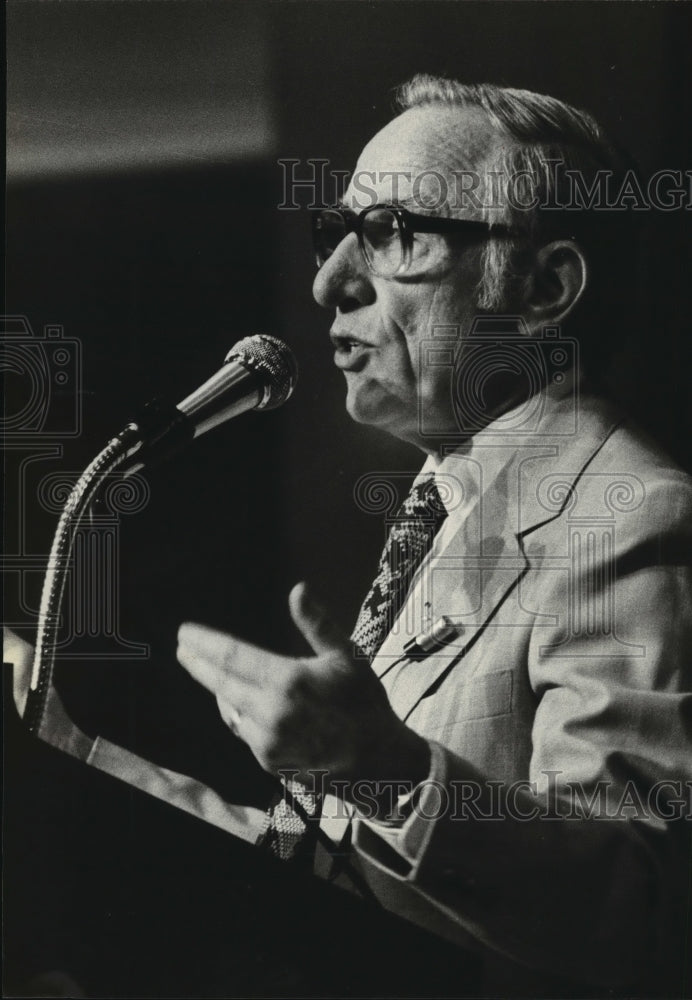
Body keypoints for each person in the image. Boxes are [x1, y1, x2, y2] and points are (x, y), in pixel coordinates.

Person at [7, 75, 692, 993]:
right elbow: (324, 881)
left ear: (543, 288)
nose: (330, 282)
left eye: (396, 234)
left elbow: (645, 915)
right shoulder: (453, 501)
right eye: (338, 235)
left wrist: (389, 771)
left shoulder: (632, 514)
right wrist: (68, 752)